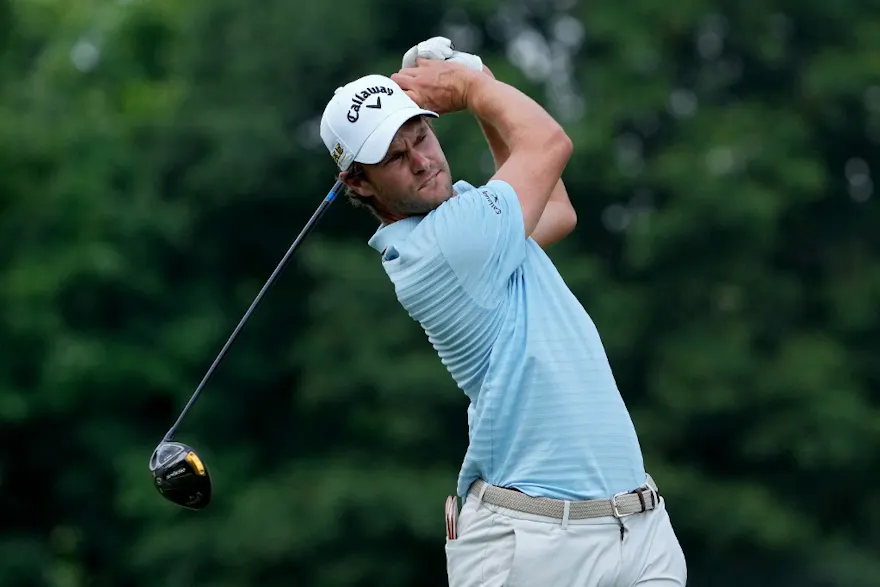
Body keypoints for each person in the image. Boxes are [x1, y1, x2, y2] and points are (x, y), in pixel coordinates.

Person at [319, 37, 687, 587]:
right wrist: (472, 87)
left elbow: (557, 210)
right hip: (535, 545)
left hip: (637, 527)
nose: (422, 161)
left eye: (422, 135)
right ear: (358, 182)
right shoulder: (449, 242)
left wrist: (480, 81)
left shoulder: (469, 218)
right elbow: (549, 144)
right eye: (396, 157)